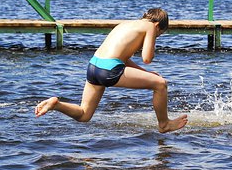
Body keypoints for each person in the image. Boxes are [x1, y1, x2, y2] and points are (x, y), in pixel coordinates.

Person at [35, 8, 188, 133]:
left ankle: (56, 104)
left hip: (93, 66)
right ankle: (164, 124)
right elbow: (147, 58)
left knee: (84, 115)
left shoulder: (125, 24)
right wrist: (152, 40)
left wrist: (146, 74)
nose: (156, 36)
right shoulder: (150, 27)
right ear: (157, 25)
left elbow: (124, 58)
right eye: (159, 34)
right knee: (160, 84)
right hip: (109, 69)